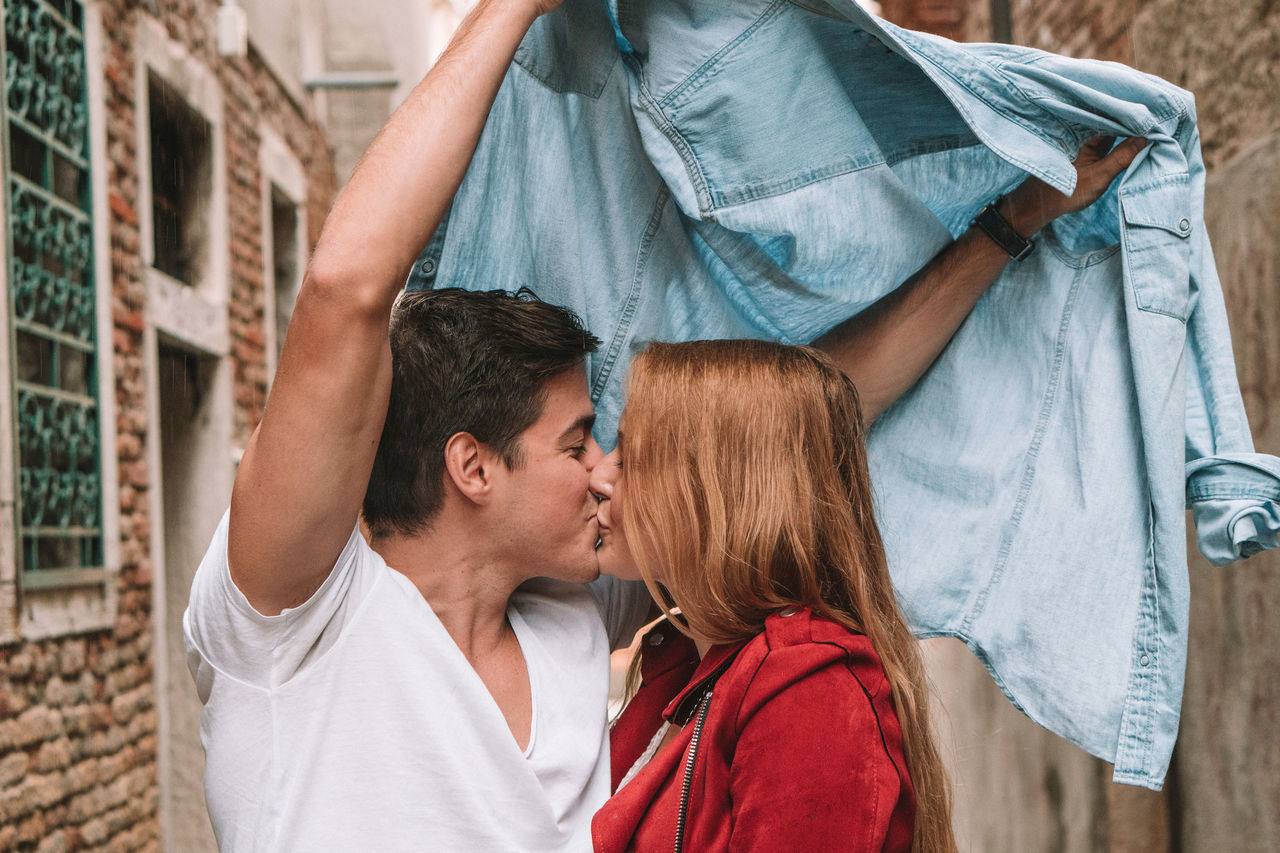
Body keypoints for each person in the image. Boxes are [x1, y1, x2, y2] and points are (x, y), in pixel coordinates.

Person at [181, 0, 1142, 848]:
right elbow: (347, 286)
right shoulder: (295, 613)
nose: (606, 473)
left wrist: (1008, 226)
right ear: (472, 466)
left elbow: (803, 423)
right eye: (578, 442)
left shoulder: (568, 607)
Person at [590, 340, 953, 852]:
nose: (599, 476)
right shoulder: (691, 663)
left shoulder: (808, 690)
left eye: (630, 457)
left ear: (719, 486)